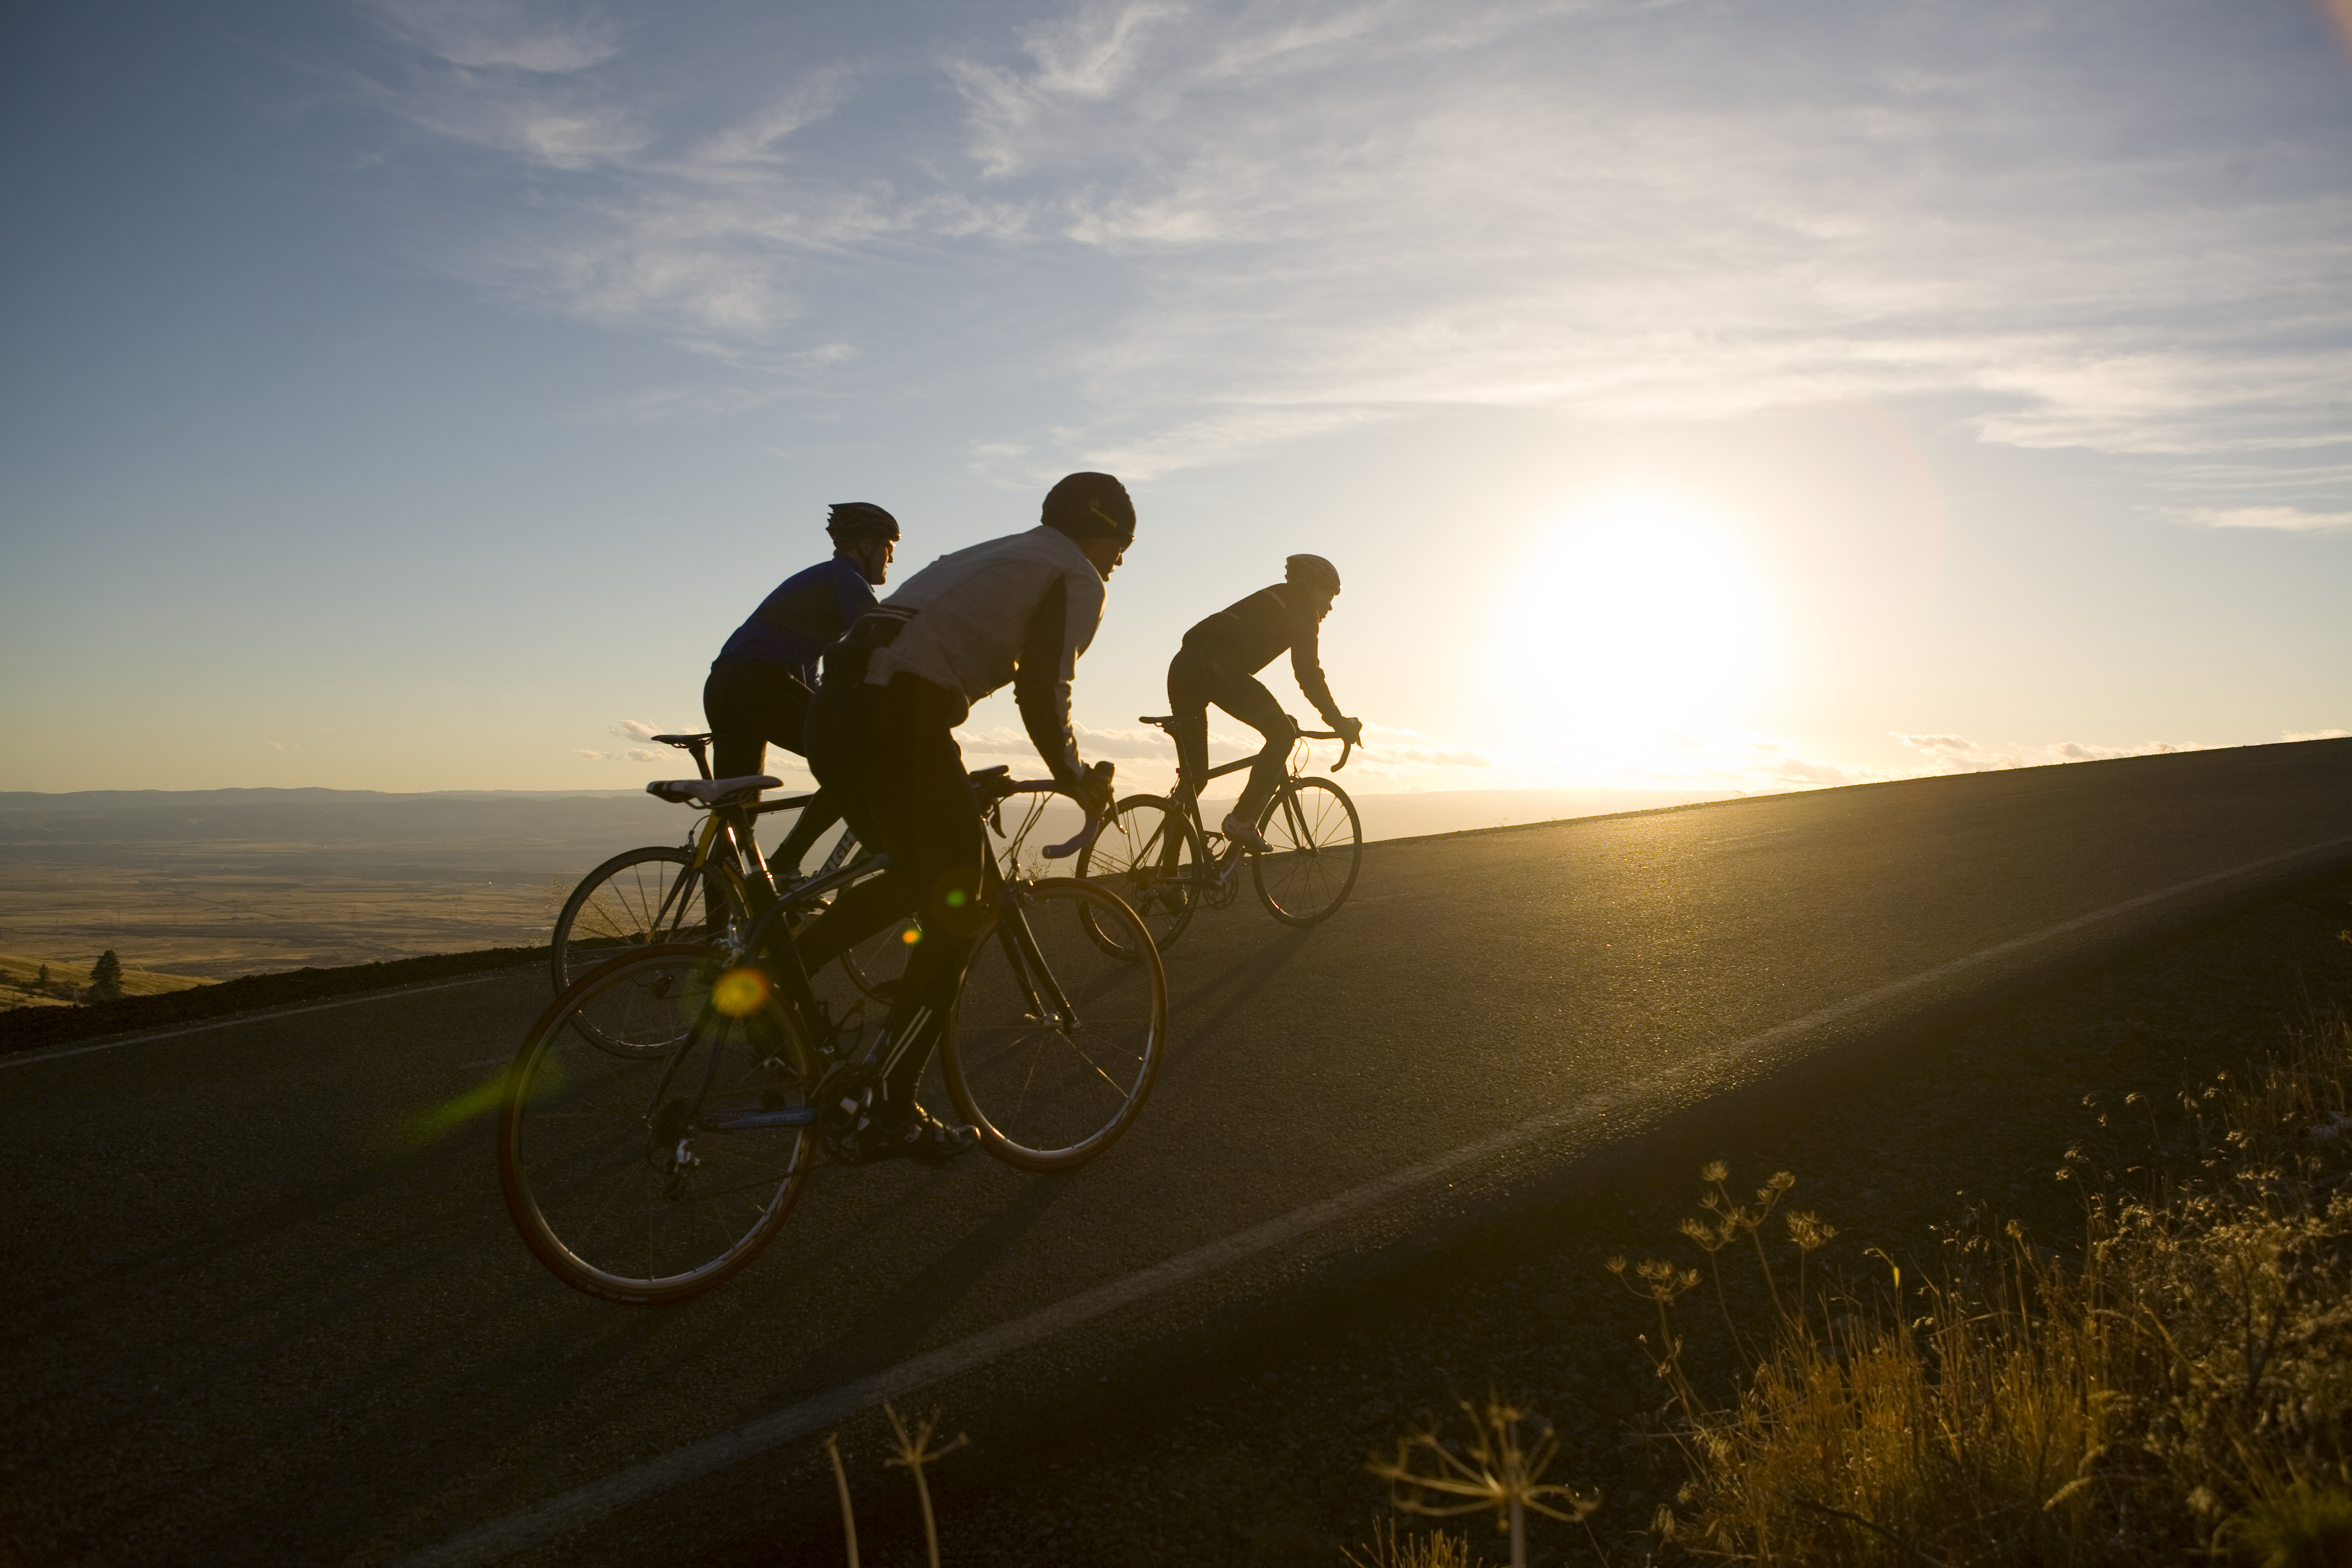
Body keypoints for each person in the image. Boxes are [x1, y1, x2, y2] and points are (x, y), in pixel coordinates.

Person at [794, 472, 1134, 1163]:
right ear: (1097, 531)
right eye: (1121, 545)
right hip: (901, 717)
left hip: (832, 715)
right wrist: (1073, 775)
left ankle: (778, 985)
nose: (1119, 562)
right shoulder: (1075, 574)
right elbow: (1045, 688)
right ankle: (887, 1108)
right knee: (966, 906)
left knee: (915, 876)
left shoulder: (999, 551)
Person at [703, 502, 899, 880]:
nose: (891, 558)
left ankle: (717, 934)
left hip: (726, 683)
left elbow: (813, 683)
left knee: (737, 814)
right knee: (857, 757)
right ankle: (787, 861)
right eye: (888, 548)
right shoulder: (847, 579)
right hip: (760, 677)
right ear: (864, 544)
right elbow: (885, 641)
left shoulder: (819, 582)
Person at [1167, 553, 1363, 853]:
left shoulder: (1281, 597)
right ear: (1313, 587)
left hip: (1185, 666)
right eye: (1330, 594)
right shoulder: (1303, 605)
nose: (1331, 605)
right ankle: (1242, 821)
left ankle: (1166, 878)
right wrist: (1338, 721)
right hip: (1215, 661)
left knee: (1195, 779)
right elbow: (1308, 672)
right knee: (1283, 733)